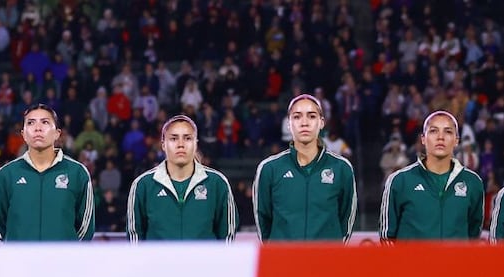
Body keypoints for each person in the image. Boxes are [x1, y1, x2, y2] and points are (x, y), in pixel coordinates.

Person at [252, 94, 357, 242]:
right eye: (297, 117)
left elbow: (346, 219)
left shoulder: (342, 168)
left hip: (326, 262)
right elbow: (263, 220)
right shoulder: (269, 168)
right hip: (284, 262)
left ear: (321, 123)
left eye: (312, 116)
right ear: (289, 123)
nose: (304, 123)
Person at [0, 103, 94, 241]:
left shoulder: (77, 173)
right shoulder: (6, 174)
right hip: (19, 261)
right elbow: (1, 224)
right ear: (23, 134)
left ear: (57, 133)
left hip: (64, 261)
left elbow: (85, 228)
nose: (38, 128)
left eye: (45, 122)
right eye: (31, 123)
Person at [126, 114, 237, 241]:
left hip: (205, 261)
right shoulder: (143, 185)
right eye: (173, 139)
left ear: (196, 144)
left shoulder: (217, 183)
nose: (180, 144)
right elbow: (135, 238)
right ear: (163, 145)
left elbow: (227, 237)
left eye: (188, 138)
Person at [380, 110, 484, 242]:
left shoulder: (473, 182)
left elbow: (473, 235)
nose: (440, 137)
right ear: (423, 139)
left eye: (448, 131)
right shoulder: (400, 181)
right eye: (434, 131)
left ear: (456, 140)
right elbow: (387, 237)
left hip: (455, 263)